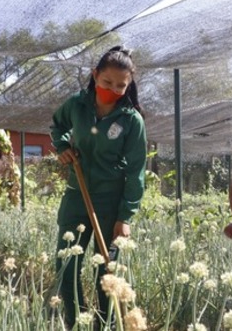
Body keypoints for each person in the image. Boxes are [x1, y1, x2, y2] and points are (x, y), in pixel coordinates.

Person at [50, 45, 147, 329]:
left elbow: (136, 169)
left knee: (105, 269)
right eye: (107, 83)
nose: (113, 90)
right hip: (76, 194)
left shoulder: (131, 120)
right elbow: (58, 126)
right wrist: (63, 147)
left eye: (121, 86)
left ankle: (105, 325)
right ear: (95, 76)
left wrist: (125, 216)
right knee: (66, 264)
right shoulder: (77, 105)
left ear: (128, 86)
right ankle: (76, 320)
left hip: (110, 200)